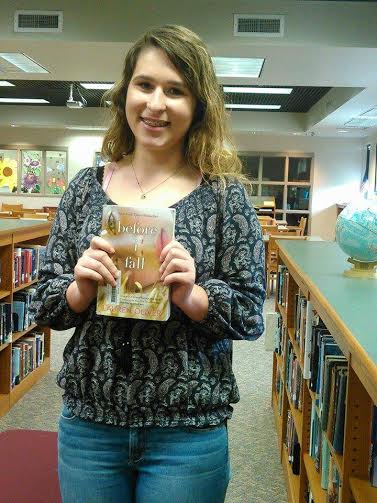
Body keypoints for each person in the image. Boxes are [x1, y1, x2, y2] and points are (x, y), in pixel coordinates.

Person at [30, 24, 265, 503]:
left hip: (188, 430)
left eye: (175, 90)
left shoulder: (226, 196)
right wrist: (79, 288)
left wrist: (193, 296)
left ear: (198, 106)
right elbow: (43, 303)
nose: (156, 104)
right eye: (145, 85)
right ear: (125, 93)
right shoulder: (84, 188)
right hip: (90, 424)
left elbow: (250, 314)